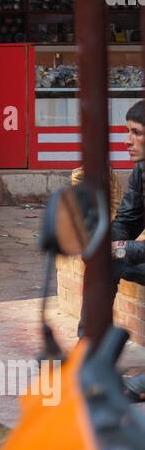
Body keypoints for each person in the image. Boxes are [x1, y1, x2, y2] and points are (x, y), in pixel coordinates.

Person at [97, 100, 145, 400]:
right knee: (103, 260)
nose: (128, 140)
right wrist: (108, 244)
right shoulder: (141, 171)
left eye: (137, 133)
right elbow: (126, 220)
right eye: (128, 131)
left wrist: (125, 248)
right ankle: (91, 350)